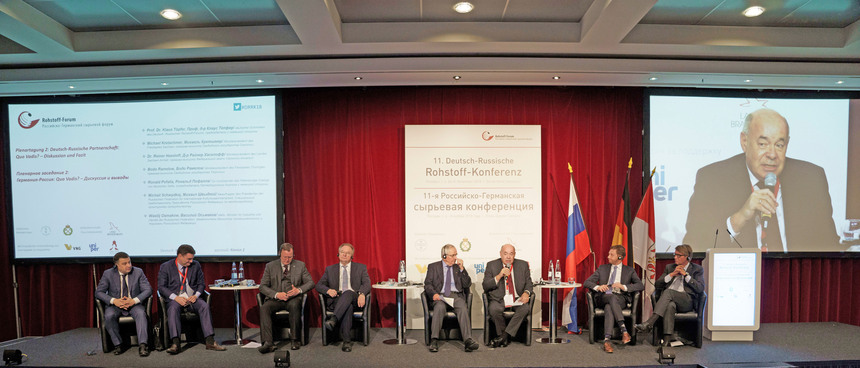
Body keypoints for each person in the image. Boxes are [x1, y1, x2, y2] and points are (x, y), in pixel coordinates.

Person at [684, 108, 840, 252]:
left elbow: (829, 245)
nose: (772, 154)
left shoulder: (811, 179)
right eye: (763, 144)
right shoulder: (712, 179)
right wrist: (740, 218)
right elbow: (694, 246)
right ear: (744, 141)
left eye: (779, 145)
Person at [157, 244, 226, 354]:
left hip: (191, 298)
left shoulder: (196, 265)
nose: (191, 261)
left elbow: (201, 284)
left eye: (192, 259)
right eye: (189, 259)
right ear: (180, 256)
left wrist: (196, 295)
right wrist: (176, 298)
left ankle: (210, 341)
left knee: (204, 305)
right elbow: (161, 287)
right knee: (173, 309)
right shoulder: (166, 266)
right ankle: (176, 343)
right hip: (176, 299)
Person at [636, 244, 705, 346]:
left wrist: (686, 275)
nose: (675, 257)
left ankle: (649, 323)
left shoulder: (697, 269)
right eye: (674, 254)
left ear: (687, 257)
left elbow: (700, 288)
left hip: (686, 301)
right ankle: (667, 340)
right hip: (670, 300)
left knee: (668, 292)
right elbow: (657, 284)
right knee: (669, 305)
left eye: (678, 255)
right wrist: (671, 275)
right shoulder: (670, 267)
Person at [583, 245, 644, 353]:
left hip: (620, 298)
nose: (608, 257)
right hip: (603, 296)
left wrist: (623, 287)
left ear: (620, 257)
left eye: (611, 255)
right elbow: (587, 282)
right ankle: (624, 330)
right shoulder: (602, 268)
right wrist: (598, 287)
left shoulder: (629, 270)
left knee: (609, 307)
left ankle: (607, 341)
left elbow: (640, 285)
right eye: (609, 254)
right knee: (610, 297)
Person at [258, 243, 314, 353]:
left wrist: (298, 290)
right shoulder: (270, 266)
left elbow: (310, 283)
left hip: (293, 298)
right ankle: (268, 343)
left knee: (294, 305)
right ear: (280, 254)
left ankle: (294, 340)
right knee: (264, 308)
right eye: (285, 257)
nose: (287, 260)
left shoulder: (300, 265)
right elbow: (262, 286)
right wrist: (276, 294)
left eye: (290, 257)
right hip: (276, 299)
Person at [315, 243, 372, 352]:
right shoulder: (330, 269)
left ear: (352, 256)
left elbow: (367, 284)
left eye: (348, 253)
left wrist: (362, 293)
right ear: (338, 254)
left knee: (349, 293)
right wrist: (328, 290)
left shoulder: (361, 268)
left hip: (354, 297)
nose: (344, 255)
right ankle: (347, 342)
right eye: (342, 252)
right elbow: (319, 285)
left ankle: (334, 319)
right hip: (337, 300)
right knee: (348, 307)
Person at [423, 244, 479, 352]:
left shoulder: (458, 267)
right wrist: (434, 294)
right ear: (444, 256)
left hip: (455, 296)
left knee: (462, 306)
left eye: (456, 255)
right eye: (453, 255)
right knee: (439, 307)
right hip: (440, 295)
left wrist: (463, 269)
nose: (455, 258)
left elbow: (467, 284)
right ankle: (434, 340)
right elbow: (428, 284)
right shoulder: (433, 267)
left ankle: (468, 340)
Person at [95, 251, 152, 357]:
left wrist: (134, 300)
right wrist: (114, 301)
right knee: (109, 315)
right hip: (116, 305)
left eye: (129, 262)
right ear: (116, 265)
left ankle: (143, 345)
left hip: (134, 304)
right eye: (124, 263)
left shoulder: (138, 272)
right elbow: (98, 292)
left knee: (141, 314)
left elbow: (148, 290)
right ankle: (118, 344)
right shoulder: (108, 274)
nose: (129, 265)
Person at [482, 243, 534, 348]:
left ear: (514, 255)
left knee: (524, 309)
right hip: (498, 299)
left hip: (516, 298)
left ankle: (503, 337)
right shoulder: (491, 265)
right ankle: (503, 337)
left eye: (511, 254)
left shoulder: (523, 265)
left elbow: (529, 283)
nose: (508, 257)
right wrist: (499, 275)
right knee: (494, 309)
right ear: (500, 254)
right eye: (505, 254)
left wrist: (526, 293)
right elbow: (485, 286)